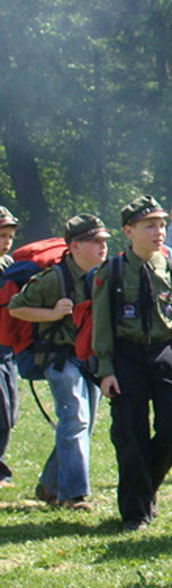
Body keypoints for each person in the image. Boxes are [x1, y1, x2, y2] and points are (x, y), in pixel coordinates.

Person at [93, 195, 172, 531]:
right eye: (149, 226)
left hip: (164, 353)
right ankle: (135, 513)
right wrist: (105, 369)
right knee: (131, 435)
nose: (159, 232)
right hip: (126, 356)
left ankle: (144, 490)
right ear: (128, 231)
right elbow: (101, 324)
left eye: (161, 224)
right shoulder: (111, 271)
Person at [8, 214, 109, 510]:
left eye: (104, 240)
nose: (102, 246)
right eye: (95, 241)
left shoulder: (103, 273)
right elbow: (17, 308)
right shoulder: (53, 279)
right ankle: (73, 495)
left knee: (83, 423)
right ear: (75, 246)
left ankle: (49, 486)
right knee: (75, 419)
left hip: (88, 357)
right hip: (60, 357)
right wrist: (52, 313)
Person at [0, 206, 20, 486]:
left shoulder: (9, 264)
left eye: (9, 235)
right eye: (2, 235)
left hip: (6, 346)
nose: (6, 241)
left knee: (10, 410)